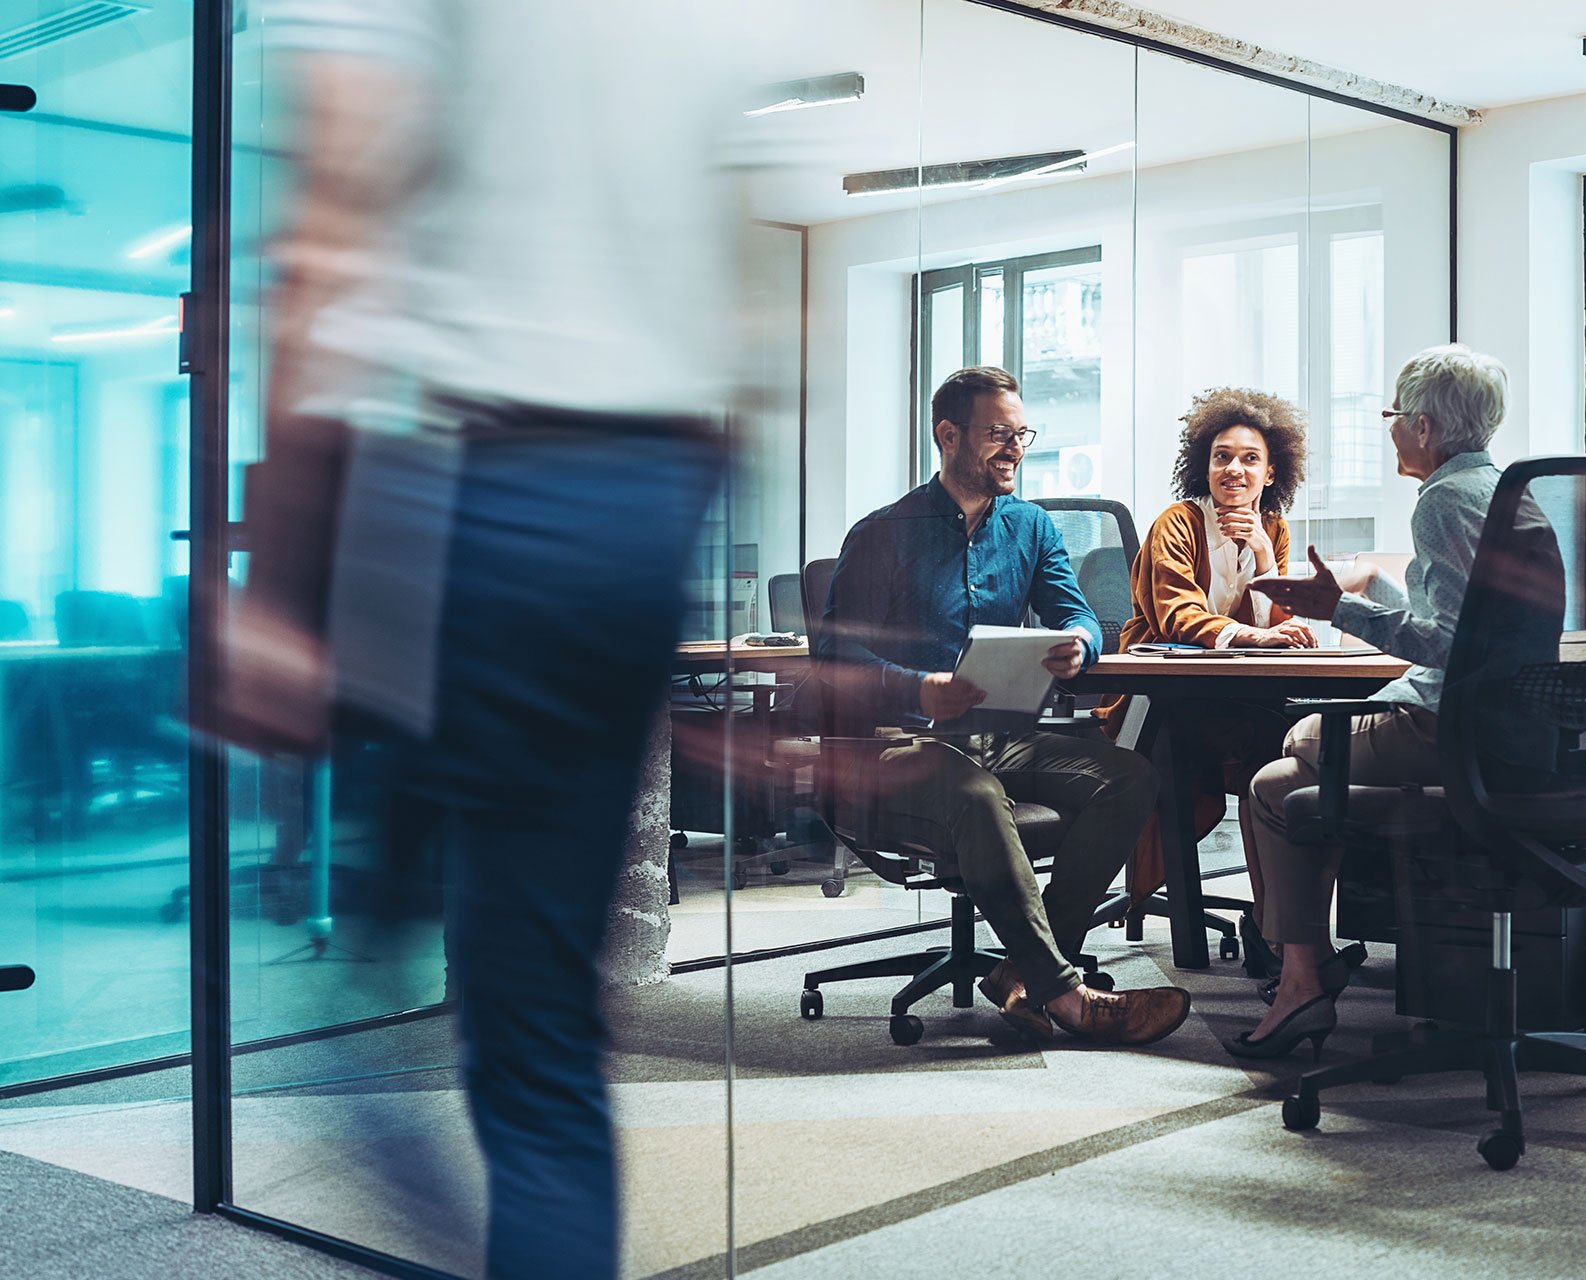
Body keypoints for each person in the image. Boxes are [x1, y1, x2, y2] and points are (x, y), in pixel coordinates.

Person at [223, 4, 738, 1276]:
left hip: (472, 481)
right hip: (651, 485)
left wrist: (278, 580)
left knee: (352, 1017)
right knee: (541, 1027)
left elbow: (335, 211)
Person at [819, 365, 1190, 1046]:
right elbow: (833, 662)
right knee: (978, 794)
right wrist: (917, 686)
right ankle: (1068, 996)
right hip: (896, 744)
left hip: (998, 735)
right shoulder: (883, 534)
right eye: (999, 434)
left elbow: (1077, 615)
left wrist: (1079, 646)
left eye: (1022, 434)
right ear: (948, 435)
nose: (1016, 447)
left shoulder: (1032, 528)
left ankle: (1022, 972)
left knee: (1129, 776)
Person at [1228, 344, 1515, 1060]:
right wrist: (1365, 589)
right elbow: (1470, 621)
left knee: (1297, 743)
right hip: (1502, 730)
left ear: (1422, 426)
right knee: (1276, 787)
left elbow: (1451, 645)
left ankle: (1304, 982)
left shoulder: (1444, 500)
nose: (1388, 429)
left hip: (1443, 726)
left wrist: (1337, 611)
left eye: (1392, 415)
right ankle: (1302, 976)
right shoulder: (1508, 491)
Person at [1097, 388, 1314, 974]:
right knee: (1257, 749)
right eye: (1222, 456)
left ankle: (1273, 927)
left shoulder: (1274, 527)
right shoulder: (1179, 522)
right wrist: (1251, 637)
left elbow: (1279, 619)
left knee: (1276, 760)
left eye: (1249, 459)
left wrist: (1265, 556)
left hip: (1229, 694)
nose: (1234, 470)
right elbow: (1177, 615)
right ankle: (1266, 932)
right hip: (1156, 698)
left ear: (1272, 472)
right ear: (1204, 464)